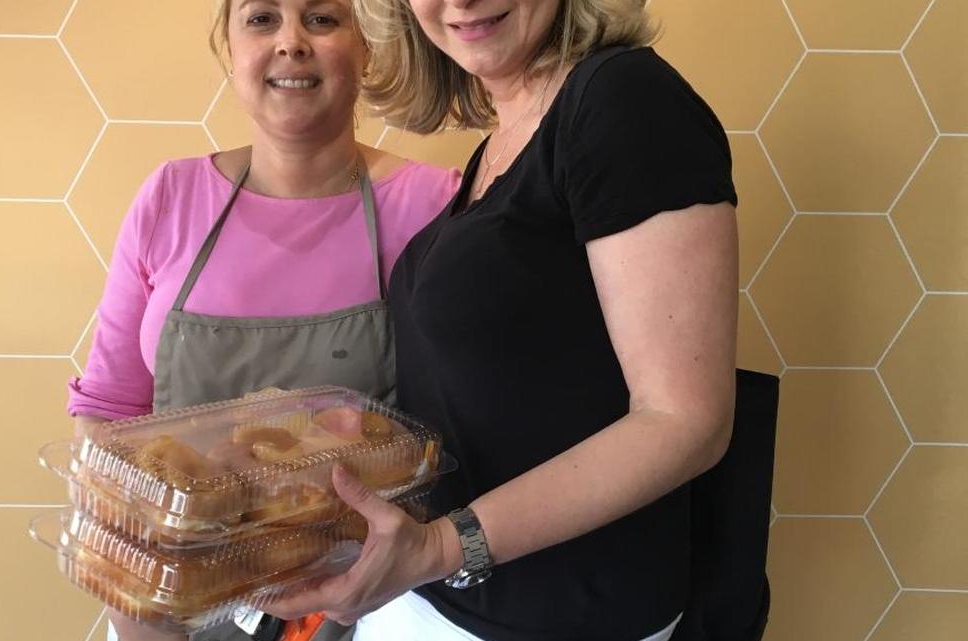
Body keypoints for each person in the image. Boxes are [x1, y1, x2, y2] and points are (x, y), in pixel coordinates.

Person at [264, 0, 740, 640]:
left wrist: (440, 548)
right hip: (440, 600)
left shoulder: (624, 99)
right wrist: (367, 439)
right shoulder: (502, 140)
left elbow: (686, 421)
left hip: (559, 618)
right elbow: (530, 384)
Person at [65, 0, 460, 638]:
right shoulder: (171, 197)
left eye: (323, 19)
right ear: (230, 48)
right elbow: (109, 411)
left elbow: (456, 430)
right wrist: (135, 588)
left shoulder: (432, 206)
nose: (291, 42)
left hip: (366, 604)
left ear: (367, 47)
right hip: (177, 598)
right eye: (261, 18)